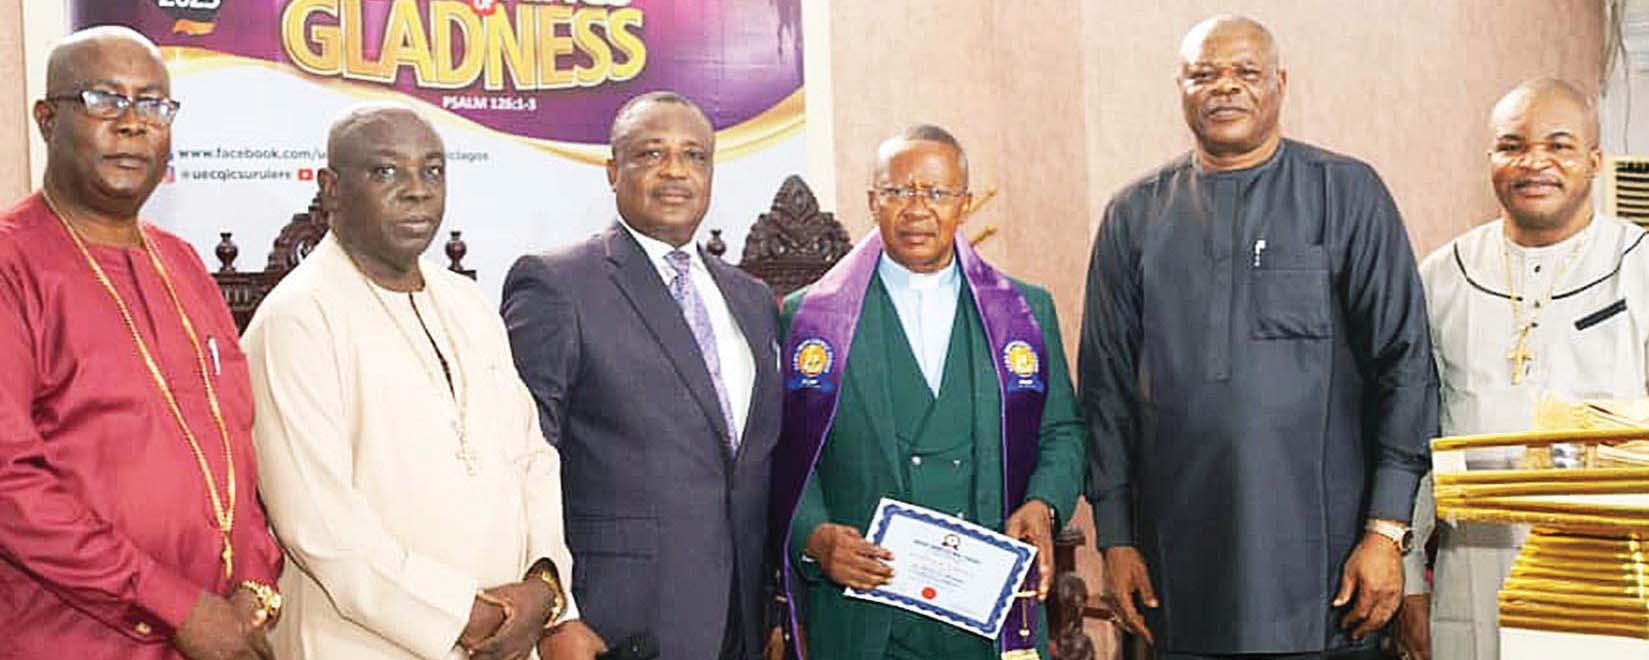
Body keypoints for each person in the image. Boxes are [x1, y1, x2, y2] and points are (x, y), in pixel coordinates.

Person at [1080, 15, 1436, 659]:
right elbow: (1105, 389)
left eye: (1246, 72)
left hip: (1329, 573)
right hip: (1176, 572)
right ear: (1180, 87)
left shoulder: (1346, 193)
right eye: (1204, 74)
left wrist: (1386, 532)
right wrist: (1114, 537)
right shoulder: (1134, 215)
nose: (1225, 87)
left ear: (1280, 83)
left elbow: (1406, 366)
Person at [244, 104, 591, 659]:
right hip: (365, 643)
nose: (417, 191)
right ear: (332, 189)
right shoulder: (297, 319)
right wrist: (468, 617)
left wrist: (543, 586)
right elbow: (319, 525)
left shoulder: (467, 302)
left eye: (432, 171)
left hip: (506, 639)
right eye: (386, 172)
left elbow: (532, 457)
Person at [0, 26, 284, 659]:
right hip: (74, 639)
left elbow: (235, 440)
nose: (133, 124)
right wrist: (174, 604)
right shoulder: (11, 263)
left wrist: (254, 583)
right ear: (47, 120)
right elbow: (9, 482)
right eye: (105, 99)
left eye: (154, 105)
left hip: (222, 634)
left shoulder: (182, 262)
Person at [771, 124, 1085, 660]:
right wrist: (813, 537)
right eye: (897, 191)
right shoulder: (811, 318)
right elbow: (783, 451)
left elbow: (1062, 432)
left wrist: (1044, 503)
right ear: (872, 201)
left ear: (964, 202)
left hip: (989, 613)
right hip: (863, 613)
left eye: (937, 192)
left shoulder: (1025, 311)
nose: (917, 209)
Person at [502, 91, 782, 660]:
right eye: (652, 153)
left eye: (694, 155)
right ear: (613, 170)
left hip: (743, 622)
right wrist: (556, 613)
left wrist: (774, 607)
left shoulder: (752, 299)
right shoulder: (558, 285)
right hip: (616, 622)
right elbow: (520, 460)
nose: (676, 170)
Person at [1392, 78, 1649, 660]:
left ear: (1594, 160)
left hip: (1612, 577)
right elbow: (1409, 434)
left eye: (1559, 145)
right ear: (1490, 158)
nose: (1535, 162)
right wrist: (1409, 584)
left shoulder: (1638, 266)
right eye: (1512, 146)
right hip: (1473, 572)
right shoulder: (1442, 276)